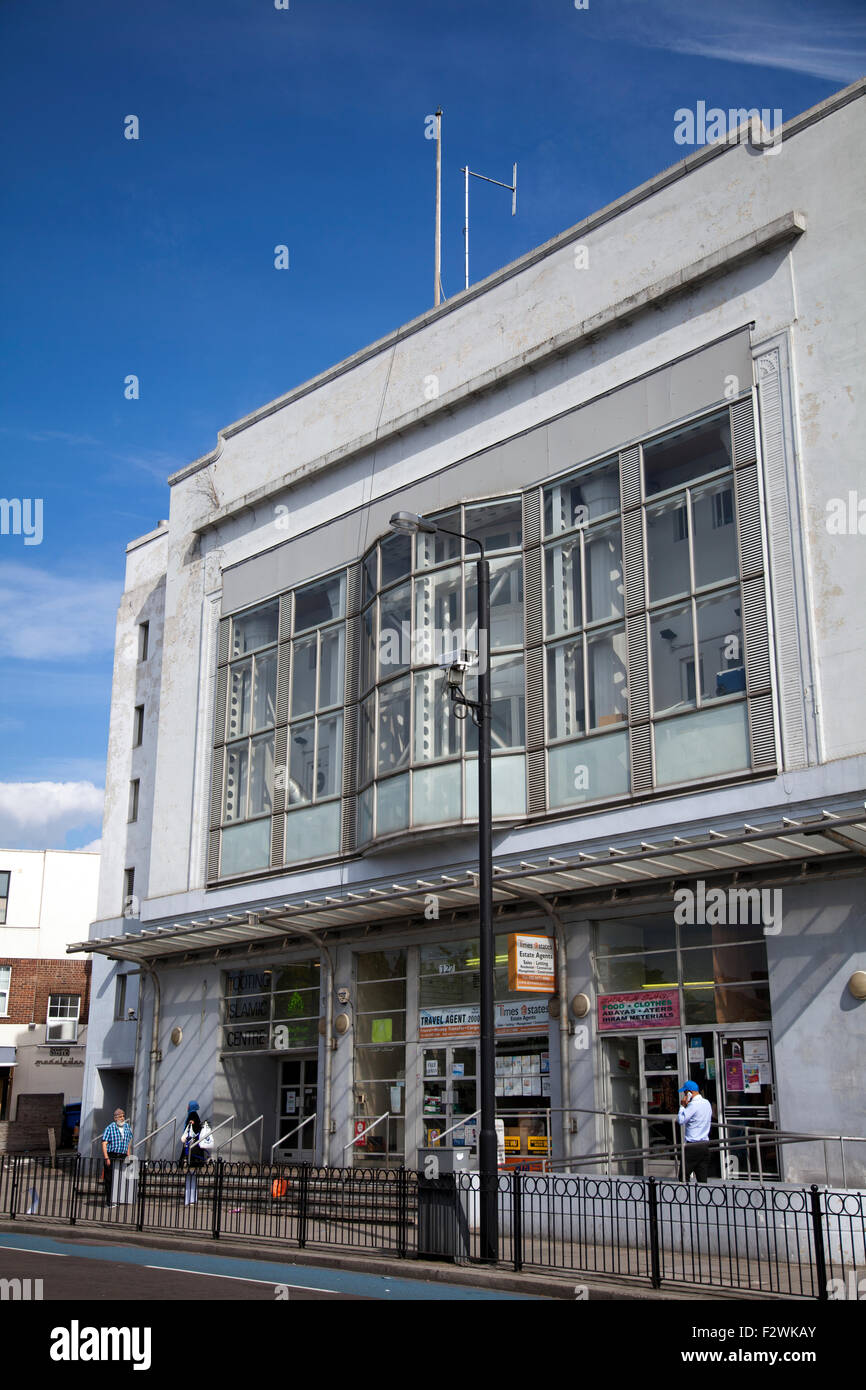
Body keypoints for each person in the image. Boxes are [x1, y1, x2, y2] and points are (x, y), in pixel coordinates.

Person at [677, 1080, 713, 1183]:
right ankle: (702, 1198)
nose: (684, 1095)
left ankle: (686, 1198)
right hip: (704, 1144)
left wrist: (682, 1106)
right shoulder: (707, 1103)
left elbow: (681, 1120)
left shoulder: (693, 1105)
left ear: (689, 1093)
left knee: (683, 1177)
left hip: (692, 1146)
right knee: (702, 1178)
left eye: (685, 1093)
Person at [101, 1106, 133, 1206]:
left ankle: (119, 1199)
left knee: (121, 1178)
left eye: (123, 1116)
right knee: (109, 1178)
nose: (122, 1118)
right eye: (119, 1116)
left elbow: (129, 1142)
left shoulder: (127, 1127)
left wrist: (128, 1155)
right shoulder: (110, 1128)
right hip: (112, 1154)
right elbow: (104, 1143)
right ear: (115, 1118)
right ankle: (109, 1201)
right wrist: (106, 1157)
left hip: (122, 1155)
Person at [180, 1101, 207, 1166]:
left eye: (189, 1106)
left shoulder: (192, 1114)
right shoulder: (194, 1114)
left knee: (189, 1150)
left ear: (191, 1107)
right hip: (195, 1137)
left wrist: (191, 1122)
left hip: (192, 1138)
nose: (187, 1107)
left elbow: (193, 1125)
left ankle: (187, 1163)